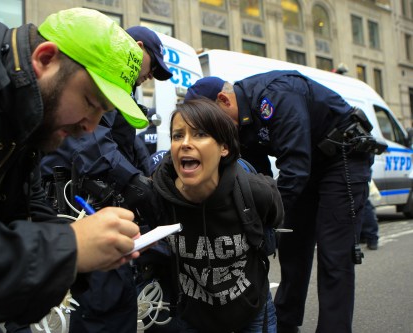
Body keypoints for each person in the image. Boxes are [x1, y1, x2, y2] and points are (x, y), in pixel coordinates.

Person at [0, 6, 149, 333]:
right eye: (91, 101)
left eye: (103, 112)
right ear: (46, 58)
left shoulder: (26, 109)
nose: (91, 126)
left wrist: (96, 245)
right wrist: (71, 247)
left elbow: (23, 210)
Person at [185, 74, 376, 333]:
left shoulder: (276, 96)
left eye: (210, 123)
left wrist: (265, 216)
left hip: (343, 157)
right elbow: (256, 176)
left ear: (223, 100)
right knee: (293, 244)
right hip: (308, 164)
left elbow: (295, 167)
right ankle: (285, 323)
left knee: (334, 251)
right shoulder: (238, 121)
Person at [40, 26, 173, 333]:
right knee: (105, 299)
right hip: (80, 199)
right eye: (152, 67)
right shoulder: (106, 79)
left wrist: (144, 176)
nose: (150, 77)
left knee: (112, 296)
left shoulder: (125, 89)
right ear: (138, 48)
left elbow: (128, 140)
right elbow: (92, 143)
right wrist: (132, 180)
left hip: (99, 196)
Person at [151, 98, 284, 333]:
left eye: (200, 134)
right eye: (177, 135)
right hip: (191, 317)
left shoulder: (257, 191)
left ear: (224, 147)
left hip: (251, 311)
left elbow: (274, 220)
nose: (185, 144)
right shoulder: (157, 197)